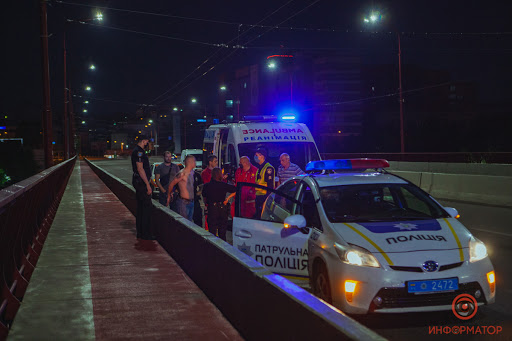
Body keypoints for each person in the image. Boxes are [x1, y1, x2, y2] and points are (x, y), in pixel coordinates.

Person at [202, 168, 236, 241]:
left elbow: (204, 196)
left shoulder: (207, 186)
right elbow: (236, 189)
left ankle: (212, 248)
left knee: (212, 231)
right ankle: (223, 249)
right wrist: (228, 198)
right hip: (222, 208)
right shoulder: (223, 185)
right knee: (222, 232)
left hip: (212, 208)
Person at [131, 135, 153, 240]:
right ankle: (145, 233)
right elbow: (140, 169)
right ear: (143, 141)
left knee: (141, 208)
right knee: (146, 208)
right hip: (141, 183)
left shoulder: (136, 151)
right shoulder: (139, 152)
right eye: (147, 142)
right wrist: (148, 185)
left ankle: (141, 232)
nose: (147, 144)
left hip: (138, 181)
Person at [167, 155, 196, 221]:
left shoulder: (192, 173)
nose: (195, 163)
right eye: (194, 161)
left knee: (190, 223)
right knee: (184, 223)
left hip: (191, 201)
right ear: (190, 162)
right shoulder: (182, 173)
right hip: (183, 202)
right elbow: (172, 184)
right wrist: (169, 195)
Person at [254, 149, 275, 218]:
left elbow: (270, 186)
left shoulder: (268, 168)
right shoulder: (259, 168)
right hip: (258, 196)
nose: (255, 157)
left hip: (264, 196)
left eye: (256, 155)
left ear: (262, 156)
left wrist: (267, 199)